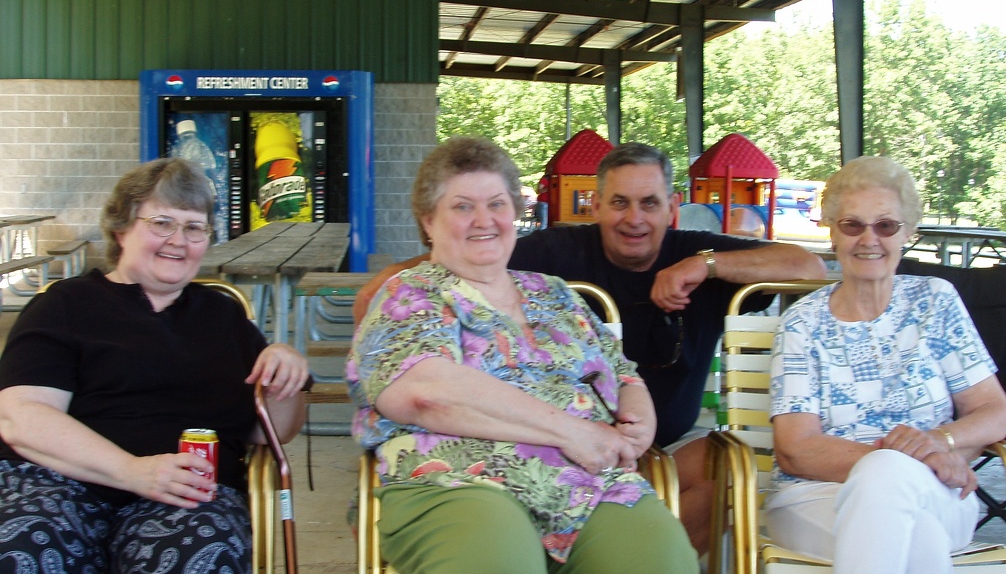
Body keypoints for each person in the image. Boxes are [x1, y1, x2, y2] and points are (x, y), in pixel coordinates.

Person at [354, 141, 826, 553]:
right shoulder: (556, 252)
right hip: (551, 443)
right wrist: (385, 325)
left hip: (663, 445)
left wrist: (705, 266)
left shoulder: (695, 249)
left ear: (672, 208)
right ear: (595, 205)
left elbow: (808, 267)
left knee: (722, 467)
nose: (634, 218)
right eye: (619, 202)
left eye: (649, 203)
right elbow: (451, 257)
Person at [348, 136, 698, 573]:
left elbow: (621, 371)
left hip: (588, 483)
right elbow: (425, 393)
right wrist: (572, 433)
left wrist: (638, 422)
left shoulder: (555, 293)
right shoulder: (411, 294)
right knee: (497, 561)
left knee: (658, 561)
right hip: (457, 479)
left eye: (497, 203)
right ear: (429, 221)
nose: (484, 220)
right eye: (462, 206)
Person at [0, 158, 310, 572]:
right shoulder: (65, 304)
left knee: (200, 555)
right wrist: (132, 471)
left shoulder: (224, 317)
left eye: (195, 227)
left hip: (186, 495)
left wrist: (284, 376)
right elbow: (22, 418)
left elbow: (270, 430)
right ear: (121, 228)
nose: (178, 240)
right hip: (58, 484)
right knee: (21, 546)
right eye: (162, 223)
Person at [766, 156, 1006, 573]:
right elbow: (796, 449)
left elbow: (995, 409)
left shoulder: (936, 302)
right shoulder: (802, 323)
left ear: (908, 232)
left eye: (886, 225)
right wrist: (907, 459)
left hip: (937, 491)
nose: (868, 239)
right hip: (816, 496)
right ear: (832, 232)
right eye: (852, 225)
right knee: (919, 537)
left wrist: (937, 442)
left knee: (893, 492)